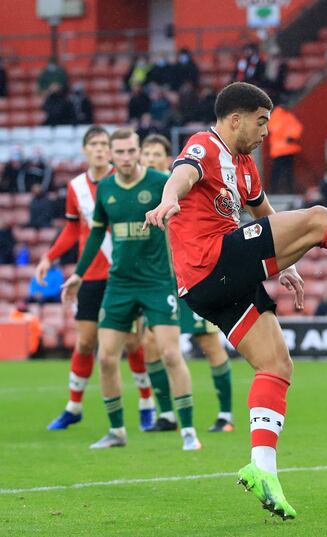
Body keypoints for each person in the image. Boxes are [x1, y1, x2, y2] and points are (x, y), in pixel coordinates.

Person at [143, 82, 327, 519]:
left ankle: (261, 468)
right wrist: (168, 201)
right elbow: (181, 176)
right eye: (262, 121)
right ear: (235, 119)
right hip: (210, 262)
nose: (267, 131)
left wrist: (285, 265)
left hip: (213, 285)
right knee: (319, 219)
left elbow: (264, 215)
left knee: (276, 365)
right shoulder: (204, 145)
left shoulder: (246, 166)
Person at [58, 129, 197, 451]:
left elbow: (187, 214)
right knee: (106, 358)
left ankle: (188, 430)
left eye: (130, 151)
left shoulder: (160, 182)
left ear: (138, 151)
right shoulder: (105, 190)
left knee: (170, 353)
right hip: (119, 283)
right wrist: (79, 274)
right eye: (118, 152)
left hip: (156, 282)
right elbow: (94, 235)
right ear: (111, 155)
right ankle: (117, 431)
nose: (125, 157)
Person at [39, 126, 155, 431]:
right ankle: (73, 407)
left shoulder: (124, 181)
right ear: (85, 150)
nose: (101, 149)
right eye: (95, 144)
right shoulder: (76, 187)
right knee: (85, 341)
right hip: (90, 276)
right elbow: (72, 230)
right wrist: (49, 257)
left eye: (105, 144)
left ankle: (146, 402)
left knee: (132, 341)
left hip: (124, 275)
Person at [138, 133, 236, 434]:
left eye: (157, 154)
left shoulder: (181, 185)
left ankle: (225, 415)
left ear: (168, 159)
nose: (151, 158)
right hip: (160, 282)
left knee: (207, 342)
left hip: (192, 274)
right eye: (147, 154)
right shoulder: (139, 190)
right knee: (150, 344)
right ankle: (167, 414)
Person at [268, 100, 303, 193]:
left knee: (278, 172)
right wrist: (290, 136)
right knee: (287, 172)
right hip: (286, 150)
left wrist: (291, 136)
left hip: (281, 150)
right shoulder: (284, 116)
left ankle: (274, 190)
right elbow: (296, 128)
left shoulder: (276, 116)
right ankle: (286, 190)